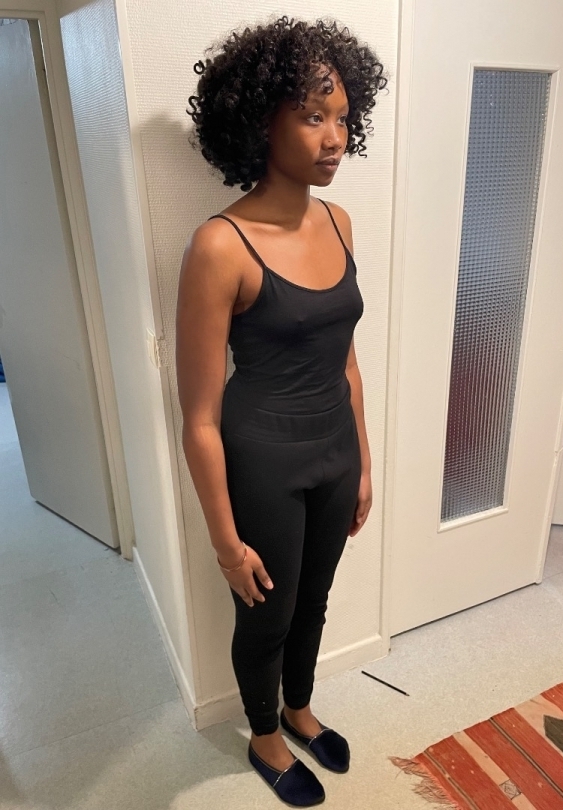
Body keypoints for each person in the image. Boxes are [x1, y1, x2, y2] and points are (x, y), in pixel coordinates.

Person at [176, 16, 387, 807]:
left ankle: (299, 708)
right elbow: (199, 416)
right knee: (268, 613)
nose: (335, 138)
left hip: (335, 448)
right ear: (260, 121)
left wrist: (363, 461)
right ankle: (264, 734)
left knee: (316, 599)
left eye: (342, 117)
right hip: (263, 460)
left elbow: (347, 362)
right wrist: (224, 543)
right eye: (312, 116)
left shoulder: (340, 222)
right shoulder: (220, 246)